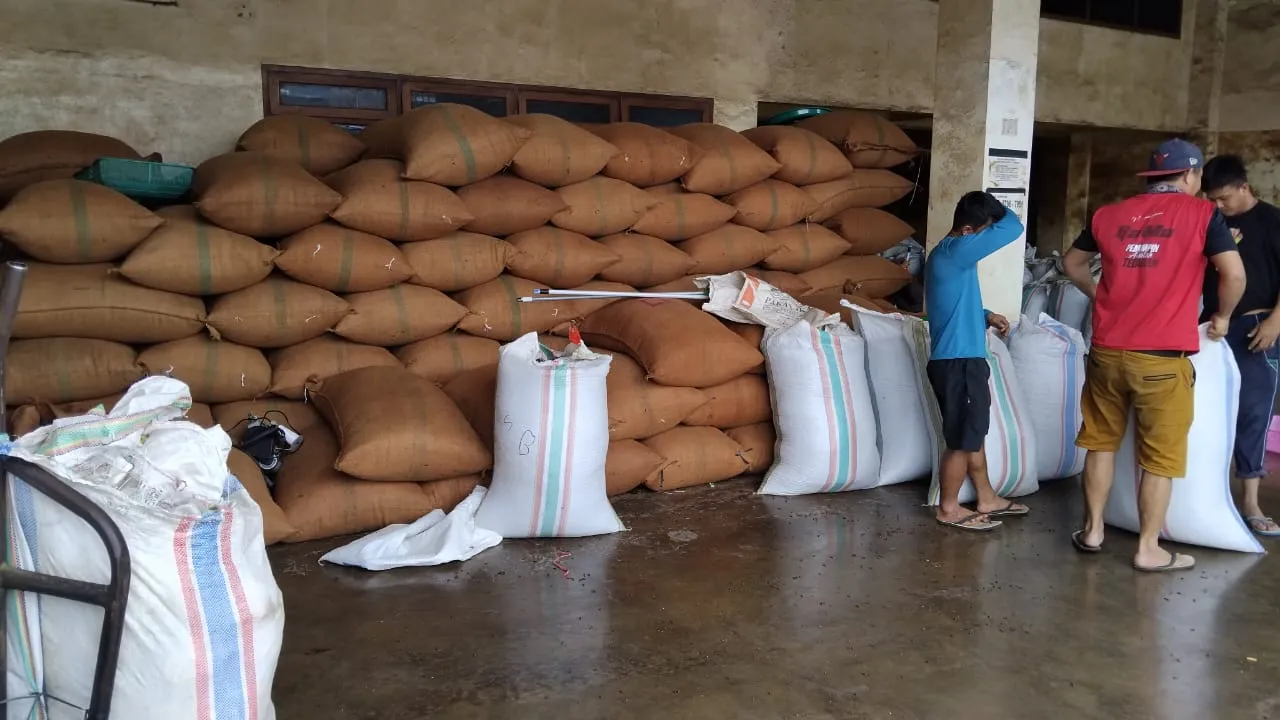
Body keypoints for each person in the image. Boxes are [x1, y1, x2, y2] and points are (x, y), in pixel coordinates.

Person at [1061, 139, 1246, 573]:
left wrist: (1100, 296)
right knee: (1159, 458)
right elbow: (1234, 275)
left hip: (1107, 351)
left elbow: (1072, 264)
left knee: (1100, 443)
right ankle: (1148, 548)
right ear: (1190, 175)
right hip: (1162, 360)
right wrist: (1221, 317)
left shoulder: (1108, 215)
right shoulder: (1203, 215)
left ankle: (1092, 530)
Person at [924, 191, 1029, 532]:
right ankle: (949, 508)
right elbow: (1014, 227)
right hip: (958, 363)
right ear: (968, 230)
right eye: (985, 231)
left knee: (972, 434)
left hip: (960, 360)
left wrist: (985, 315)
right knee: (961, 440)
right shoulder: (957, 251)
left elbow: (950, 303)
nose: (987, 238)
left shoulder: (947, 256)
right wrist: (1000, 207)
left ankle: (986, 497)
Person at [1201, 155, 1280, 537]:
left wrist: (1275, 323)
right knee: (1202, 410)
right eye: (1212, 199)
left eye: (1224, 198)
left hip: (1256, 328)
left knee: (1252, 411)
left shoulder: (1272, 221)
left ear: (1244, 187)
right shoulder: (1209, 221)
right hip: (1211, 328)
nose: (1218, 206)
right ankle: (1202, 493)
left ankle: (1250, 502)